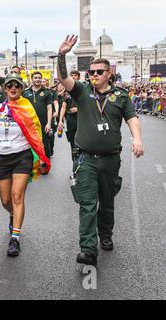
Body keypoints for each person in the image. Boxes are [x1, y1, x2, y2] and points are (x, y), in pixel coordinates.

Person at [57, 35, 144, 266]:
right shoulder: (82, 92)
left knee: (106, 201)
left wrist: (137, 139)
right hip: (86, 159)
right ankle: (88, 249)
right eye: (91, 72)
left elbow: (132, 118)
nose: (93, 75)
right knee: (87, 204)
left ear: (109, 74)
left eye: (98, 72)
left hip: (110, 159)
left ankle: (105, 234)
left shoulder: (121, 96)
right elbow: (63, 78)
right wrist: (62, 55)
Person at [0, 73, 51, 256]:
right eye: (9, 85)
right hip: (3, 158)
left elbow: (35, 133)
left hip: (22, 156)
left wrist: (40, 155)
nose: (13, 88)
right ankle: (12, 215)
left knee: (17, 196)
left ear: (21, 89)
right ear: (5, 89)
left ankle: (15, 238)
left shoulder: (27, 108)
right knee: (6, 201)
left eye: (17, 86)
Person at [22, 72, 53, 163]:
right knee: (30, 143)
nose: (38, 79)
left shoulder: (47, 92)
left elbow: (49, 108)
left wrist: (49, 123)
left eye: (39, 78)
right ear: (32, 79)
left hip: (43, 123)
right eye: (35, 78)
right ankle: (32, 163)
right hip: (29, 123)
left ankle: (45, 164)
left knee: (44, 143)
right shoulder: (25, 93)